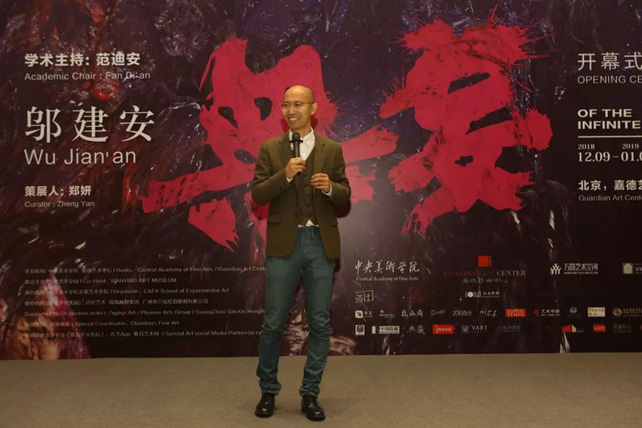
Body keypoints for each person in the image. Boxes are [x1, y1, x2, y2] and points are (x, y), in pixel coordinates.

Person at [251, 85, 350, 421]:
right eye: (286, 105)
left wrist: (331, 188)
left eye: (298, 104)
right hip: (284, 244)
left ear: (313, 108)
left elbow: (345, 194)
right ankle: (268, 390)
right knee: (273, 321)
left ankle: (310, 393)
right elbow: (258, 194)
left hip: (320, 243)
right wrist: (285, 174)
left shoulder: (331, 149)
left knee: (320, 322)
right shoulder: (270, 148)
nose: (291, 110)